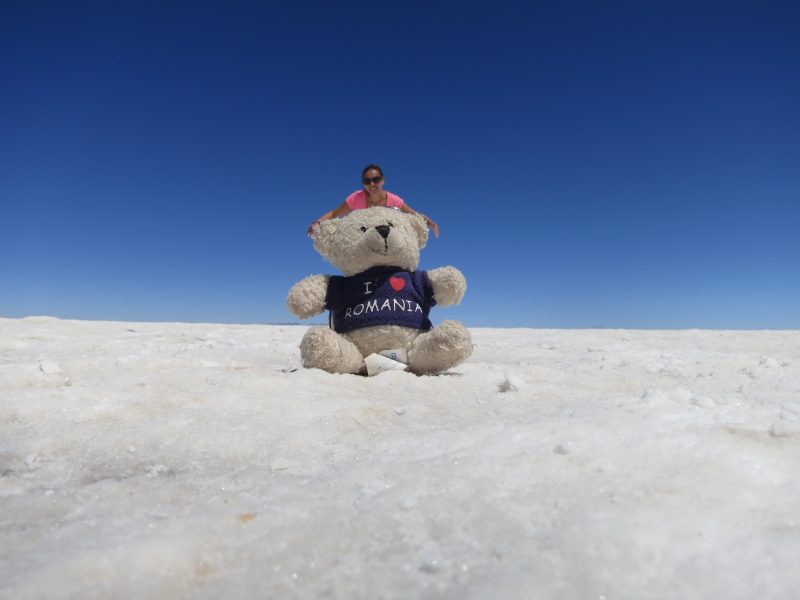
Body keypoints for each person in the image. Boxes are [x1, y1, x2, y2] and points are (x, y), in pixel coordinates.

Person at [307, 164, 440, 237]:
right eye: (367, 181)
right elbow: (335, 213)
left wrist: (431, 223)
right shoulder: (356, 198)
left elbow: (413, 213)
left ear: (383, 180)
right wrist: (317, 222)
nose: (372, 184)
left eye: (375, 180)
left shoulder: (392, 199)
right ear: (363, 183)